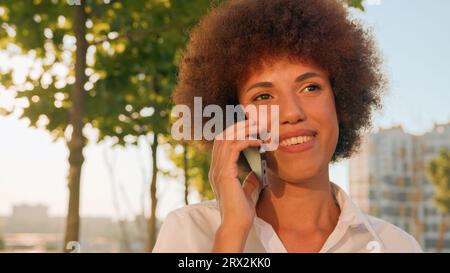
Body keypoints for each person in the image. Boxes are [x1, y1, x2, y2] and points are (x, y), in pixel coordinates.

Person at [153, 0, 423, 253]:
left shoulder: (396, 246)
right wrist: (232, 232)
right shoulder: (190, 232)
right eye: (263, 96)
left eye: (310, 87)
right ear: (235, 121)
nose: (292, 113)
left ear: (340, 101)